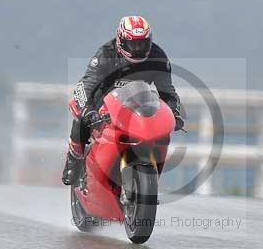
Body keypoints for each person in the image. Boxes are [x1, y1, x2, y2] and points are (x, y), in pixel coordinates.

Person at [62, 15, 184, 185]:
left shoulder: (158, 57)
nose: (138, 49)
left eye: (142, 43)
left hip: (137, 104)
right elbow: (87, 84)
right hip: (102, 103)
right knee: (81, 119)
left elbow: (167, 91)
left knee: (158, 132)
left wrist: (173, 113)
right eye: (133, 43)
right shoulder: (106, 54)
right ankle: (73, 161)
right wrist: (89, 111)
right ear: (120, 40)